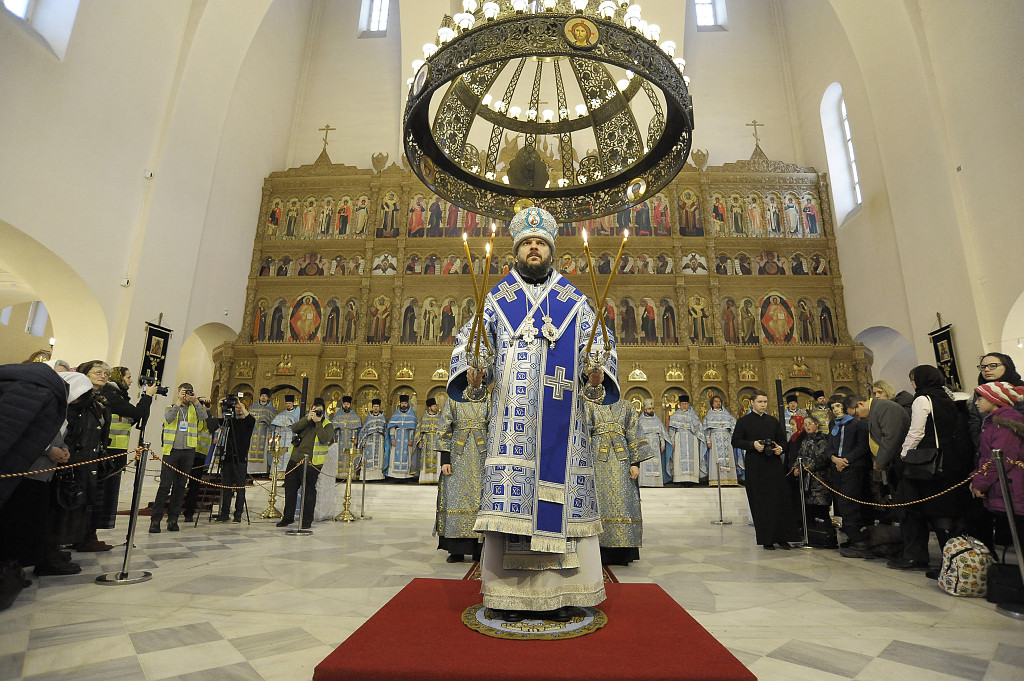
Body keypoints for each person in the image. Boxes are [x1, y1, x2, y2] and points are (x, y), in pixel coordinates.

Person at [447, 205, 618, 622]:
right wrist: (473, 370)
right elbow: (472, 347)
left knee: (562, 503)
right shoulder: (496, 300)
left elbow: (600, 347)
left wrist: (596, 374)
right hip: (512, 424)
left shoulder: (575, 301)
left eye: (541, 243)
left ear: (552, 251)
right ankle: (508, 598)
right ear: (517, 251)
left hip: (565, 429)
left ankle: (563, 596)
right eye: (528, 243)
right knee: (513, 507)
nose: (535, 249)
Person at [0, 370, 90, 576]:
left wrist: (63, 448)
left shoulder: (55, 402)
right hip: (26, 469)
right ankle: (11, 564)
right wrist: (50, 449)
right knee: (17, 518)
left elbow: (57, 433)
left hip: (43, 472)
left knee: (34, 518)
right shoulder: (40, 395)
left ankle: (22, 562)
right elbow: (26, 430)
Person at [887, 365, 973, 570]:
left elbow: (916, 431)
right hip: (952, 461)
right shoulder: (951, 397)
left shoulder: (922, 399)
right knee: (944, 510)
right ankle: (953, 560)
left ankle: (916, 556)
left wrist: (904, 454)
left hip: (926, 462)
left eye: (913, 379)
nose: (913, 384)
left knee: (913, 509)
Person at [586, 399, 653, 565]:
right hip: (597, 461)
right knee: (601, 502)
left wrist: (635, 463)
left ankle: (623, 552)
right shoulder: (589, 405)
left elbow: (634, 432)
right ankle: (600, 549)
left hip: (622, 462)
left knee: (624, 502)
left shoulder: (627, 406)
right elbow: (584, 434)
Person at [732, 390, 796, 549]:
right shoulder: (743, 421)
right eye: (760, 402)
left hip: (773, 465)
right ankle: (767, 539)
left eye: (765, 402)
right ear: (752, 402)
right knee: (761, 502)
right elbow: (736, 441)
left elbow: (782, 440)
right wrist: (752, 445)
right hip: (755, 465)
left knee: (780, 500)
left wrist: (779, 448)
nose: (763, 404)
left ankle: (783, 538)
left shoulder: (773, 421)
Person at [97, 367, 156, 537]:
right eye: (128, 377)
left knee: (108, 493)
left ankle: (92, 534)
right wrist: (148, 396)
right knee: (103, 493)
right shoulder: (111, 394)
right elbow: (137, 412)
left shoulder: (116, 395)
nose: (131, 381)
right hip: (110, 450)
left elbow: (133, 417)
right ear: (119, 377)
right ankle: (89, 535)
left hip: (116, 449)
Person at [61, 361, 113, 551]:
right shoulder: (77, 397)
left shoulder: (102, 401)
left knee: (89, 497)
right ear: (84, 374)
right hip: (75, 454)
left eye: (106, 374)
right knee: (72, 496)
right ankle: (63, 540)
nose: (103, 376)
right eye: (98, 372)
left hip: (93, 454)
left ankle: (85, 536)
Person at [435, 396, 489, 563]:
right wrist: (445, 460)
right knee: (455, 499)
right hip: (457, 457)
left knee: (479, 500)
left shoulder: (488, 399)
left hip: (482, 456)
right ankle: (456, 549)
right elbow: (444, 429)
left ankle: (480, 550)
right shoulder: (454, 399)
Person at [969, 382, 1024, 542]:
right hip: (1004, 482)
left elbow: (1001, 458)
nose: (976, 403)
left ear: (994, 399)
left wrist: (980, 482)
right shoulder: (995, 421)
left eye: (980, 399)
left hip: (1013, 484)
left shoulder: (1005, 422)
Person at [151, 383, 207, 533]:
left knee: (180, 486)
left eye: (189, 392)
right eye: (183, 392)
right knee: (164, 486)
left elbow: (204, 417)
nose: (186, 395)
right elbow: (169, 418)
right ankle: (155, 520)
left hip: (188, 451)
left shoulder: (194, 409)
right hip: (171, 451)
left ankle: (173, 519)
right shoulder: (170, 407)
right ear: (178, 392)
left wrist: (196, 401)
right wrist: (178, 402)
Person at [824, 395, 872, 558]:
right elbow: (829, 446)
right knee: (842, 505)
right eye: (833, 407)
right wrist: (834, 458)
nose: (836, 410)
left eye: (838, 406)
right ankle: (853, 538)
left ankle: (859, 541)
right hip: (837, 469)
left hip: (853, 469)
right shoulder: (833, 424)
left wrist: (846, 460)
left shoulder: (858, 424)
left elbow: (862, 446)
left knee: (849, 504)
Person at [277, 398, 333, 529]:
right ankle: (288, 517)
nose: (317, 412)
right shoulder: (306, 421)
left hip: (312, 463)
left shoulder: (327, 424)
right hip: (295, 460)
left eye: (319, 411)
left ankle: (306, 521)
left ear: (323, 412)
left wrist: (318, 423)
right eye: (314, 409)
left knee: (309, 492)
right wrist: (307, 418)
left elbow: (325, 439)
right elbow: (295, 428)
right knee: (290, 490)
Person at [206, 396, 255, 523]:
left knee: (240, 488)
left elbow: (250, 419)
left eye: (241, 407)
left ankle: (238, 513)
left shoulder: (248, 422)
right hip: (228, 458)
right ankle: (224, 513)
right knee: (226, 487)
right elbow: (221, 421)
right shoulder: (231, 421)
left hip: (240, 459)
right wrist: (219, 406)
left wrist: (240, 404)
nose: (238, 409)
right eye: (236, 407)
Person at [968, 353, 1024, 448]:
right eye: (983, 367)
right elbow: (975, 423)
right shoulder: (980, 391)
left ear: (1007, 367)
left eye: (993, 366)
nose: (986, 369)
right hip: (989, 448)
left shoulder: (1019, 390)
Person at [788, 418, 832, 535]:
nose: (807, 426)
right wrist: (797, 467)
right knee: (809, 508)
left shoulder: (823, 439)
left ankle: (825, 534)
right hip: (807, 479)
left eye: (810, 424)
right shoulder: (804, 440)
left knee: (821, 507)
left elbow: (822, 457)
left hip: (820, 478)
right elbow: (800, 455)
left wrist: (807, 467)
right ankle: (812, 535)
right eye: (805, 424)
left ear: (816, 425)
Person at [667, 393, 706, 485]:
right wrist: (672, 442)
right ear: (679, 405)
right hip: (679, 438)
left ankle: (692, 479)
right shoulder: (675, 416)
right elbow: (672, 430)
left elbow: (699, 429)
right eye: (683, 403)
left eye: (686, 403)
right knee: (679, 458)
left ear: (688, 404)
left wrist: (699, 440)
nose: (684, 405)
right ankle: (680, 479)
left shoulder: (693, 416)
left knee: (693, 458)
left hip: (692, 438)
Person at [703, 395, 738, 486]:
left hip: (727, 438)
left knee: (728, 458)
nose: (718, 403)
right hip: (715, 438)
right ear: (712, 404)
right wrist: (708, 441)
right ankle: (716, 480)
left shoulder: (727, 415)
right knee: (716, 458)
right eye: (716, 401)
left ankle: (730, 480)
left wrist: (733, 437)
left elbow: (734, 426)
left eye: (719, 401)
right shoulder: (709, 415)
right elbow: (706, 430)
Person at [636, 399, 669, 487]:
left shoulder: (657, 420)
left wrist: (662, 444)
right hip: (645, 445)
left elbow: (662, 433)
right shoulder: (640, 421)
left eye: (653, 408)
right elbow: (637, 435)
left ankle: (656, 482)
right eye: (649, 409)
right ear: (645, 410)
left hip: (655, 445)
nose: (651, 410)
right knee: (645, 462)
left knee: (656, 462)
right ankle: (645, 482)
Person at [385, 395, 418, 482]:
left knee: (407, 456)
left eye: (405, 403)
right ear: (400, 403)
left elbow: (413, 428)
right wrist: (392, 439)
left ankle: (406, 476)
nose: (404, 405)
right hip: (397, 438)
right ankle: (395, 475)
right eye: (402, 403)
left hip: (407, 440)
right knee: (395, 456)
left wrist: (411, 440)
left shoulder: (412, 414)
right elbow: (392, 427)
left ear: (408, 404)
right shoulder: (396, 414)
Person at [247, 389, 277, 474]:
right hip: (253, 432)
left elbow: (273, 423)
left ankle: (261, 471)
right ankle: (250, 470)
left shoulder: (271, 409)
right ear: (260, 397)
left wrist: (270, 434)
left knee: (263, 451)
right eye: (262, 396)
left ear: (268, 398)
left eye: (265, 396)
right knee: (250, 450)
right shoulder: (253, 407)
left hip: (265, 432)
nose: (264, 398)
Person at [356, 398, 387, 480]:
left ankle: (378, 477)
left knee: (379, 460)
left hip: (380, 441)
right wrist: (363, 441)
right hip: (369, 441)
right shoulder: (368, 418)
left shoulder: (383, 418)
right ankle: (367, 477)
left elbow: (385, 431)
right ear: (372, 407)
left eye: (377, 406)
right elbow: (363, 431)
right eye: (374, 406)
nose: (376, 408)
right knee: (368, 459)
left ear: (379, 407)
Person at [413, 398, 443, 484]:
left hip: (437, 441)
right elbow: (418, 429)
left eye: (436, 406)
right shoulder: (424, 416)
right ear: (429, 407)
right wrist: (420, 441)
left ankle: (436, 479)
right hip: (426, 441)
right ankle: (426, 479)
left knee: (437, 461)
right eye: (434, 406)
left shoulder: (440, 417)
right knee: (426, 461)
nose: (435, 407)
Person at [270, 395, 299, 476]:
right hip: (282, 437)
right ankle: (278, 473)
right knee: (280, 454)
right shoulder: (282, 414)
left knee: (289, 454)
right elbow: (277, 427)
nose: (288, 405)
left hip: (291, 436)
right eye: (287, 403)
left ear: (293, 403)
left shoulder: (298, 413)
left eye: (289, 403)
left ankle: (289, 473)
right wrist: (276, 434)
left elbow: (298, 426)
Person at [330, 395, 362, 463]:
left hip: (350, 440)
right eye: (345, 404)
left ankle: (349, 471)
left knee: (350, 456)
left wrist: (356, 438)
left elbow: (357, 429)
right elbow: (333, 427)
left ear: (350, 405)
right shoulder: (338, 415)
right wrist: (335, 438)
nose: (346, 405)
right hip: (340, 438)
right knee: (340, 455)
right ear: (342, 404)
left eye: (347, 404)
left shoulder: (354, 415)